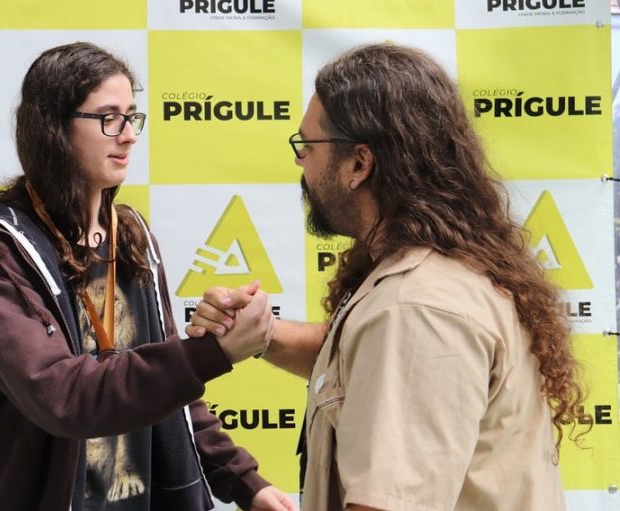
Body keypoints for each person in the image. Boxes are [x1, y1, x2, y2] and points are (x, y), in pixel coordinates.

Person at [186, 43, 589, 511]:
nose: (300, 163)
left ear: (359, 164)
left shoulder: (416, 308)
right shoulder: (433, 280)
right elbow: (367, 366)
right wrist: (263, 334)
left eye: (307, 146)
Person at [0, 42, 297, 511]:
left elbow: (173, 391)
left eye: (132, 117)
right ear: (53, 130)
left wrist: (245, 483)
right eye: (108, 118)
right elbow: (61, 396)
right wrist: (213, 352)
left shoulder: (131, 235)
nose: (128, 136)